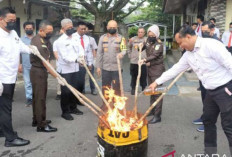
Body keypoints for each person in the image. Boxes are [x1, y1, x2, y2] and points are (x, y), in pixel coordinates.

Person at [148, 25, 232, 156]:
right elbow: (175, 69)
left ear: (188, 37)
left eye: (180, 42)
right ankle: (210, 153)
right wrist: (156, 82)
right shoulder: (188, 55)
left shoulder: (210, 45)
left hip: (225, 89)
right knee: (208, 122)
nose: (180, 46)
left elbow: (230, 64)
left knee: (229, 127)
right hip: (210, 91)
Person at [0, 7, 32, 147]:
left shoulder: (13, 33)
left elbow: (21, 47)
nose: (13, 23)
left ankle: (2, 130)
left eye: (14, 20)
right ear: (1, 20)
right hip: (2, 79)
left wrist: (32, 50)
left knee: (2, 108)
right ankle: (10, 139)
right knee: (6, 109)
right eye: (10, 21)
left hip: (11, 77)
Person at [192, 21, 222, 133]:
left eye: (206, 31)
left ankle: (208, 123)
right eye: (202, 31)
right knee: (204, 98)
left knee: (211, 102)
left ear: (213, 30)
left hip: (214, 78)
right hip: (204, 77)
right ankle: (204, 117)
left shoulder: (218, 43)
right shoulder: (203, 42)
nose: (204, 33)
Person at [30, 20, 57, 132]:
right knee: (40, 98)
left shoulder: (42, 39)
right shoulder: (39, 43)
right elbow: (46, 63)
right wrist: (58, 77)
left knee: (37, 97)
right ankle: (41, 124)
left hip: (38, 71)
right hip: (39, 72)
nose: (50, 33)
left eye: (51, 31)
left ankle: (37, 119)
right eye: (48, 31)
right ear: (41, 30)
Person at [55, 18, 84, 120]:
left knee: (74, 89)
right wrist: (77, 60)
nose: (71, 29)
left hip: (75, 68)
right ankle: (65, 111)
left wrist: (81, 57)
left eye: (72, 27)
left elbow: (80, 49)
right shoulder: (60, 41)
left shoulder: (75, 38)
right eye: (68, 28)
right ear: (63, 28)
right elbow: (65, 57)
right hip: (66, 70)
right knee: (66, 91)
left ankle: (73, 107)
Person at [96, 20, 127, 110]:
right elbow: (99, 53)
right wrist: (98, 66)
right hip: (105, 68)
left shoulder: (121, 38)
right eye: (110, 27)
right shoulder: (102, 38)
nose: (112, 29)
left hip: (117, 68)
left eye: (114, 27)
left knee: (117, 88)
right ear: (107, 27)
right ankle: (105, 104)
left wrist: (122, 54)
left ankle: (116, 105)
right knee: (105, 87)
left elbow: (124, 49)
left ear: (116, 28)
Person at [139, 25, 165, 124]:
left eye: (153, 35)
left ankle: (157, 116)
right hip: (150, 69)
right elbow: (141, 48)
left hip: (157, 70)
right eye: (149, 35)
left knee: (157, 93)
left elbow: (154, 55)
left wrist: (144, 60)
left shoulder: (159, 44)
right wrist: (139, 46)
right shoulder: (147, 41)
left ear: (157, 35)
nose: (151, 37)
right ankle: (152, 110)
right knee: (151, 91)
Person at [73, 21, 93, 95]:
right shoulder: (72, 37)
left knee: (82, 80)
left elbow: (88, 51)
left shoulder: (87, 38)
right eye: (82, 29)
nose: (83, 31)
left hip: (83, 63)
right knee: (75, 80)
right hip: (74, 63)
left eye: (85, 29)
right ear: (77, 28)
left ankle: (81, 95)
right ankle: (75, 96)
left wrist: (90, 63)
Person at [18, 21, 35, 107]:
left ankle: (36, 98)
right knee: (28, 83)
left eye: (30, 28)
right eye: (27, 28)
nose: (29, 30)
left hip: (36, 65)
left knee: (35, 82)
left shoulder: (37, 39)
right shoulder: (21, 40)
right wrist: (19, 64)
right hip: (25, 65)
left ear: (33, 29)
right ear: (24, 29)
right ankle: (29, 99)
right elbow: (18, 53)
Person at [128, 27, 147, 95]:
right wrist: (130, 55)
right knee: (134, 76)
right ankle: (133, 88)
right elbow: (129, 47)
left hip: (143, 62)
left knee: (143, 76)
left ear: (144, 33)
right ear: (137, 32)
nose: (140, 33)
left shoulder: (146, 40)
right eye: (139, 32)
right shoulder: (133, 39)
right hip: (134, 62)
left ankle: (143, 88)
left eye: (142, 32)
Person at [85, 22, 98, 95]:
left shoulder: (92, 39)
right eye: (86, 29)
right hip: (82, 61)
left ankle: (93, 89)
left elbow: (94, 49)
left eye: (89, 29)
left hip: (90, 60)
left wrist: (95, 59)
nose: (88, 31)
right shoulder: (78, 38)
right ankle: (82, 89)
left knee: (91, 76)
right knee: (81, 76)